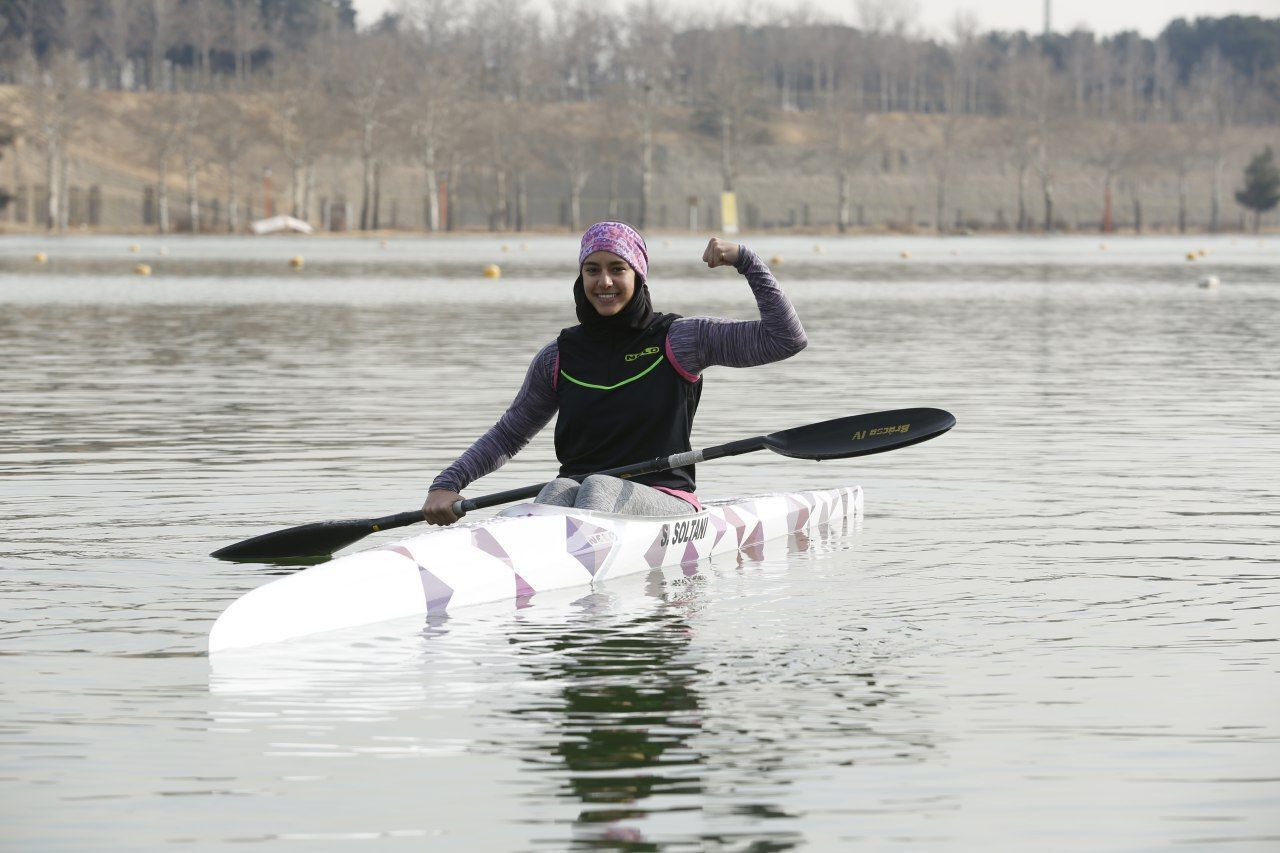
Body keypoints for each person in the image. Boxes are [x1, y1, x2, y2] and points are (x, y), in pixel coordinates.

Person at [422, 221, 806, 525]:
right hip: (579, 501)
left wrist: (746, 260)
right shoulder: (558, 357)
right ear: (581, 278)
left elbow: (785, 339)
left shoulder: (682, 339)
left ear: (637, 276)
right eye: (592, 270)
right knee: (558, 490)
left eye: (616, 269)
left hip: (664, 501)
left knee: (597, 487)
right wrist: (447, 484)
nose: (604, 282)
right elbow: (508, 435)